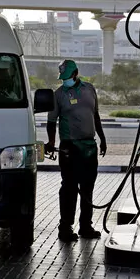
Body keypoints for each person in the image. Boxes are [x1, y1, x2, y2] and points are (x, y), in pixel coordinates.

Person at [45, 59, 107, 242]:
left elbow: (95, 115)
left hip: (89, 146)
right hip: (69, 149)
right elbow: (51, 122)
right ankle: (65, 227)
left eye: (67, 77)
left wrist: (102, 139)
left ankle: (85, 226)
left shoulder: (90, 89)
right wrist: (51, 142)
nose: (65, 81)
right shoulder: (58, 95)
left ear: (76, 73)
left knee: (88, 188)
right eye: (62, 78)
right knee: (69, 188)